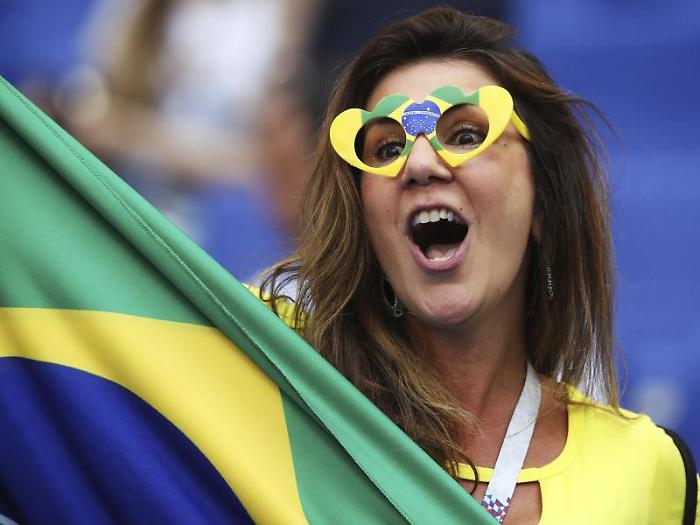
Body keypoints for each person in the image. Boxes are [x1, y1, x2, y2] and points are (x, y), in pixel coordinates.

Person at [259, 7, 697, 524]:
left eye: (465, 135)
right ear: (367, 224)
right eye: (388, 147)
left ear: (542, 205)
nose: (420, 164)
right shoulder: (275, 391)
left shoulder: (647, 472)